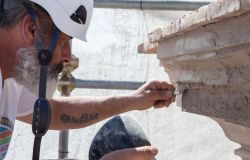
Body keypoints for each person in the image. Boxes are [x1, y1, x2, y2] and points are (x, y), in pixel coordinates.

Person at [0, 0, 175, 159]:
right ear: (31, 29)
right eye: (63, 41)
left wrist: (135, 100)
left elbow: (57, 112)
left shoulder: (10, 82)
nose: (68, 56)